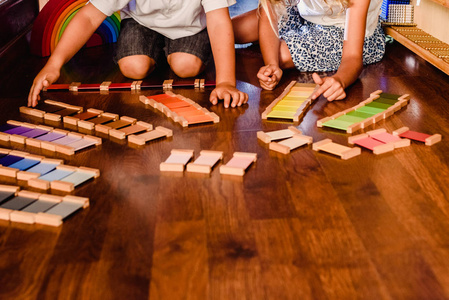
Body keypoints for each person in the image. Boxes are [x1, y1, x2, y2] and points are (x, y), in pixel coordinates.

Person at [28, 0, 248, 108]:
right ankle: (158, 53)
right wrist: (53, 64)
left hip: (190, 27)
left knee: (186, 66)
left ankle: (172, 52)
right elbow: (88, 17)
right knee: (134, 67)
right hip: (142, 24)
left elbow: (219, 22)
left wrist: (226, 81)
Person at [232, 0, 386, 101]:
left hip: (346, 31)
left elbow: (352, 56)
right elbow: (269, 14)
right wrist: (271, 64)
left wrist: (341, 79)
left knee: (282, 54)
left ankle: (292, 39)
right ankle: (296, 36)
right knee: (228, 31)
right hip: (307, 17)